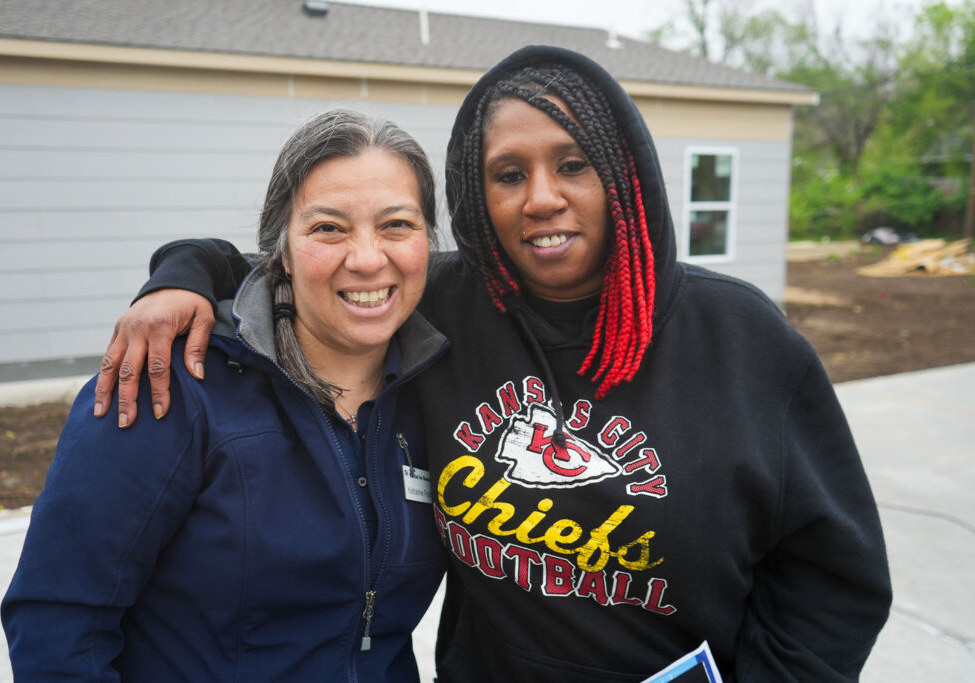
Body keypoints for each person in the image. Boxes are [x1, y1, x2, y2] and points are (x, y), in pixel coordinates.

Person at [92, 46, 892, 681]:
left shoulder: (743, 339)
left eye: (573, 164)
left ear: (624, 175)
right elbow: (303, 265)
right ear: (479, 199)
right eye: (509, 174)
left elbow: (834, 577)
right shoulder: (442, 303)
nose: (540, 196)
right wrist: (180, 277)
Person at [1, 110, 450, 681]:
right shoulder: (170, 385)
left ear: (428, 245)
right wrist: (180, 270)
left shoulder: (435, 388)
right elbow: (57, 623)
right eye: (328, 228)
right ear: (281, 250)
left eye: (396, 225)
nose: (366, 258)